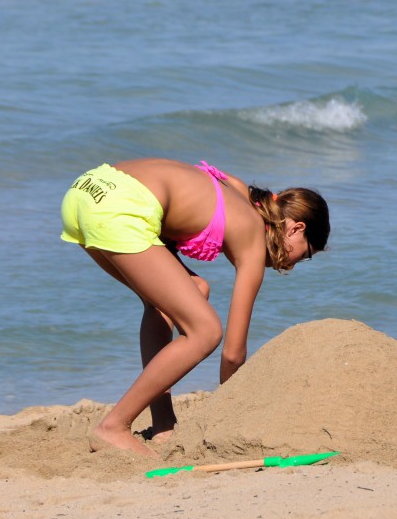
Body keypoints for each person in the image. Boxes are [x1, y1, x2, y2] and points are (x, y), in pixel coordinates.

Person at [60, 158, 330, 457]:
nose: (290, 265)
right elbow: (232, 353)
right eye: (304, 255)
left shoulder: (239, 191)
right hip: (121, 206)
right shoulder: (254, 234)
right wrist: (229, 413)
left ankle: (163, 423)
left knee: (184, 295)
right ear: (296, 228)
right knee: (205, 332)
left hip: (87, 189)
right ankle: (112, 427)